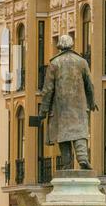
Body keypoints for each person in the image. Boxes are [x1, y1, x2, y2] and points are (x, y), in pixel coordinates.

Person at [39, 35, 98, 170]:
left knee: (63, 135)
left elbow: (48, 89)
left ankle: (66, 163)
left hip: (61, 108)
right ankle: (83, 158)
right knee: (80, 133)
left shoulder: (54, 63)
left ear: (59, 46)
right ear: (71, 45)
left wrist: (43, 110)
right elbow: (89, 84)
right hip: (79, 106)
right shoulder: (82, 62)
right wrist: (92, 101)